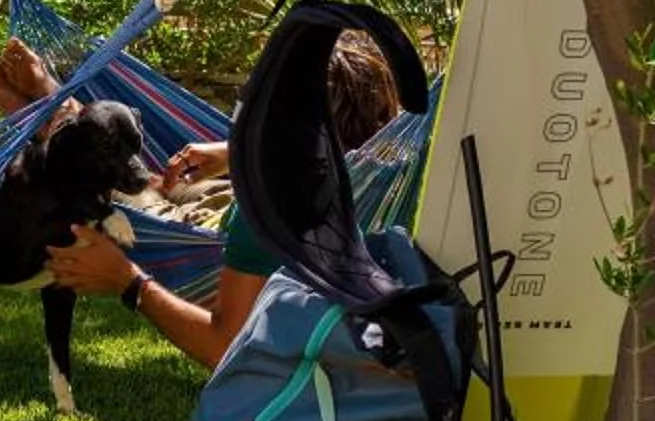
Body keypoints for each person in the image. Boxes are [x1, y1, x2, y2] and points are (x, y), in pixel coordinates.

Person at [39, 27, 404, 370]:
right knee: (170, 180)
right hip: (229, 194)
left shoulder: (272, 206)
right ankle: (53, 105)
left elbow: (225, 345)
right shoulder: (387, 169)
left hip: (200, 229)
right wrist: (233, 153)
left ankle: (51, 112)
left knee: (127, 185)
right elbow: (322, 152)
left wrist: (127, 280)